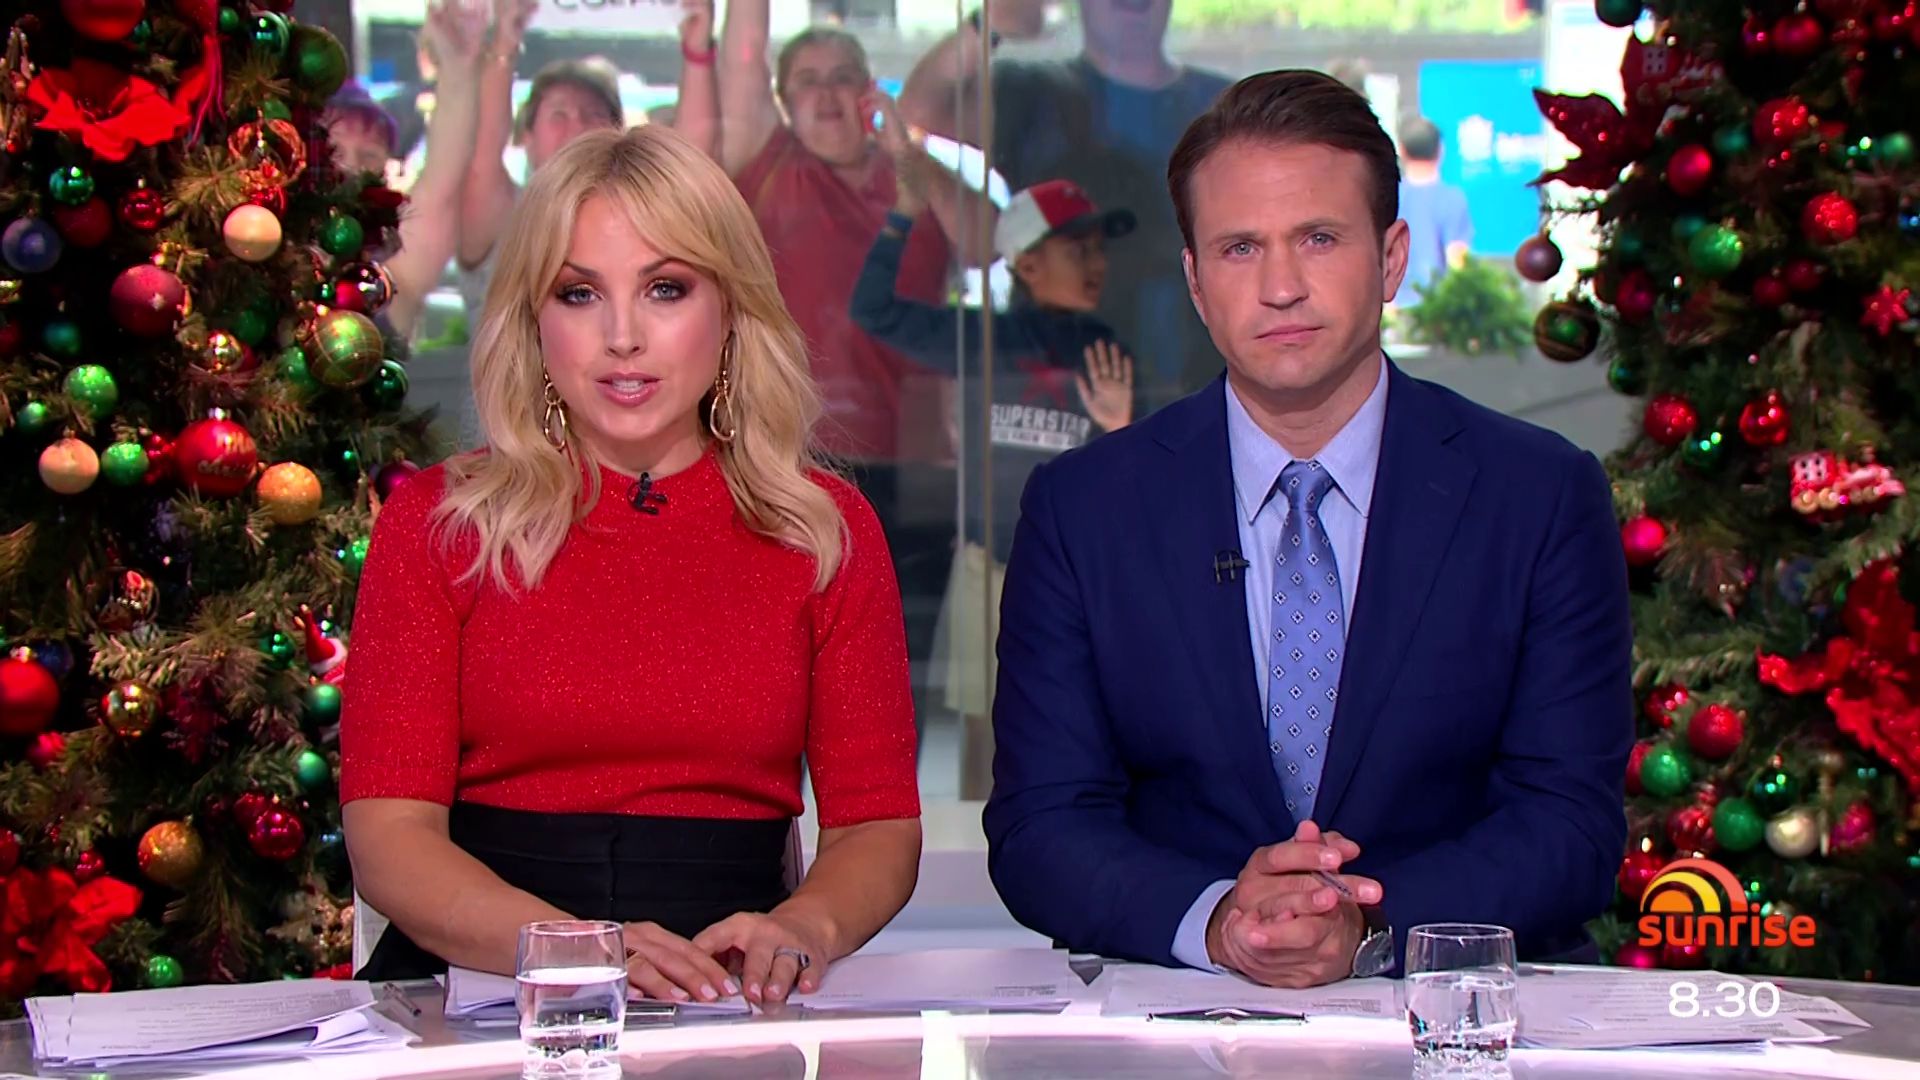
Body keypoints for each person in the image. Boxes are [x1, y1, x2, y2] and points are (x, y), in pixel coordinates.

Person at [984, 70, 1632, 988]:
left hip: (1451, 1009)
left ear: (1393, 258)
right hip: (1176, 1015)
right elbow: (1040, 825)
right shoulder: (1083, 510)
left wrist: (1365, 925)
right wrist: (1220, 923)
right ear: (1195, 281)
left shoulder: (1539, 495)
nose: (1281, 286)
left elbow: (1570, 822)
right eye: (1240, 247)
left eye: (1318, 239)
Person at [341, 126, 923, 1005]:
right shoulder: (440, 523)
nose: (622, 336)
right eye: (578, 293)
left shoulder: (823, 530)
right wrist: (572, 949)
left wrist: (808, 926)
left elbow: (876, 828)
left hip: (728, 989)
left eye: (665, 288)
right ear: (533, 321)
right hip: (482, 982)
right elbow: (390, 837)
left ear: (731, 309)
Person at [685, 0, 995, 740]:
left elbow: (987, 243)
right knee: (775, 679)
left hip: (910, 459)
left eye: (842, 78)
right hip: (787, 454)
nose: (825, 94)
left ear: (869, 92)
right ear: (784, 100)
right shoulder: (767, 163)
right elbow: (742, 59)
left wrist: (909, 156)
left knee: (892, 681)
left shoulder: (913, 175)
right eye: (808, 80)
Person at [850, 165, 1137, 789]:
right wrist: (902, 215)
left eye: (1098, 250)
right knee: (982, 751)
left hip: (1072, 576)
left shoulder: (1105, 348)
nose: (1096, 264)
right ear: (1027, 264)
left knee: (1074, 734)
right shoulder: (982, 337)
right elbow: (872, 310)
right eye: (1076, 249)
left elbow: (1131, 488)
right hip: (987, 567)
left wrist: (1119, 428)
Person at [901, 0, 1231, 416]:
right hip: (1057, 391)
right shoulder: (1031, 92)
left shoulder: (1224, 106)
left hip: (1197, 377)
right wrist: (989, 24)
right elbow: (921, 107)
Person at [454, 0, 625, 333]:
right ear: (527, 135)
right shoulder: (503, 214)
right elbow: (483, 147)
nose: (577, 126)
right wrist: (505, 41)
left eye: (592, 114)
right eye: (559, 114)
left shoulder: (641, 218)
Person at [319, 2, 483, 343]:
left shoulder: (392, 271)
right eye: (334, 151)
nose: (350, 167)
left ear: (386, 170)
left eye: (368, 155)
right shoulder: (261, 242)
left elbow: (443, 181)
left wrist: (457, 64)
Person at [1393, 117, 1473, 307]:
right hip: (1437, 310)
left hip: (1392, 307)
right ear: (1441, 151)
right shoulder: (1452, 199)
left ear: (1401, 151)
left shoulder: (1388, 195)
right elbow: (1457, 260)